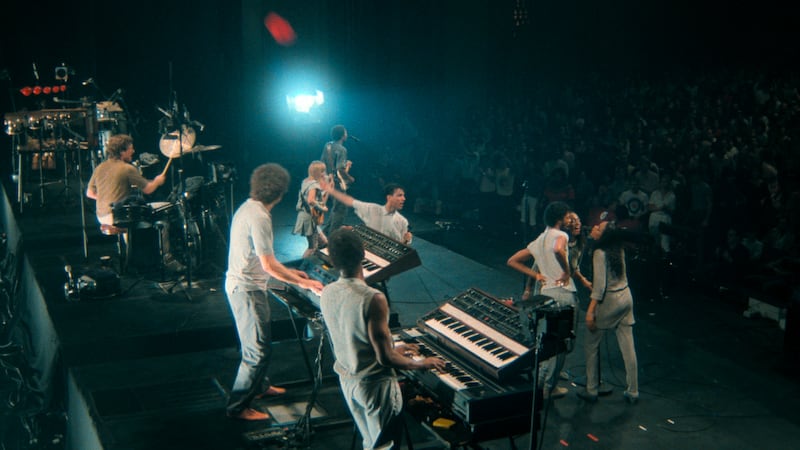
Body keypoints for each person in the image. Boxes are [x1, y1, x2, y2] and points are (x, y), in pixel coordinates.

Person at [320, 228, 445, 449]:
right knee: (384, 447)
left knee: (371, 443)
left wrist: (394, 349)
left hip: (348, 381)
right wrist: (420, 364)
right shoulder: (373, 298)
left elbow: (355, 339)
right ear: (363, 255)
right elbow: (385, 359)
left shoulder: (328, 291)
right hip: (375, 387)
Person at [225, 163, 324, 421]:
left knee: (259, 343)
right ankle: (237, 407)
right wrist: (303, 283)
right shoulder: (259, 216)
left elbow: (265, 259)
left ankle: (259, 386)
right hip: (246, 290)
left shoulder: (249, 207)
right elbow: (268, 265)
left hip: (248, 285)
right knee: (257, 350)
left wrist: (292, 275)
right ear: (280, 193)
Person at [507, 201, 577, 399]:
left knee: (546, 341)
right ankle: (549, 387)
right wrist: (566, 270)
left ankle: (540, 385)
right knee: (561, 342)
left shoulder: (539, 239)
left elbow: (512, 260)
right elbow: (557, 249)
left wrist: (535, 275)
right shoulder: (561, 235)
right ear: (559, 218)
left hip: (545, 293)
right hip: (562, 293)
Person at [577, 220, 639, 404]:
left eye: (598, 227)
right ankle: (633, 391)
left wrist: (590, 311)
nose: (594, 227)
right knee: (628, 347)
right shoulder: (617, 248)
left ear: (603, 235)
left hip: (610, 301)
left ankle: (592, 389)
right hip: (626, 297)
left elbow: (599, 287)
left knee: (591, 344)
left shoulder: (599, 253)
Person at [86, 134, 166, 225]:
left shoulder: (100, 167)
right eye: (130, 148)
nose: (133, 151)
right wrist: (157, 181)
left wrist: (106, 198)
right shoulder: (127, 168)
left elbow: (90, 193)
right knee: (159, 214)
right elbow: (148, 189)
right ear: (122, 152)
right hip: (117, 216)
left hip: (101, 217)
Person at [321, 181, 412, 245]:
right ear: (389, 197)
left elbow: (402, 248)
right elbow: (349, 201)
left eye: (404, 196)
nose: (404, 199)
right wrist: (331, 190)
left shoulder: (403, 221)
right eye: (400, 195)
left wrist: (405, 241)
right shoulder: (373, 209)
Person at [321, 124, 354, 235]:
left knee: (336, 208)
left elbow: (324, 163)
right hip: (337, 184)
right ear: (343, 135)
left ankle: (324, 235)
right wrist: (350, 178)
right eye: (345, 132)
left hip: (327, 181)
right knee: (340, 210)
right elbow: (340, 170)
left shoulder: (328, 145)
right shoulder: (342, 149)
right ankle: (332, 237)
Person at [293, 160, 329, 259]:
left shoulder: (306, 181)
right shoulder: (313, 185)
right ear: (318, 172)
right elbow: (311, 201)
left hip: (307, 217)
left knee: (324, 242)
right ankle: (301, 267)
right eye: (323, 171)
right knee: (312, 248)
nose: (324, 173)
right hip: (309, 219)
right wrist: (322, 208)